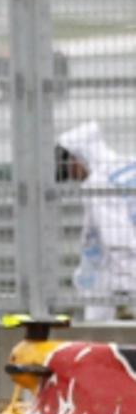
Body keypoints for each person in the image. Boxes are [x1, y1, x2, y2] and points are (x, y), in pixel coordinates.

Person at [59, 121, 136, 320]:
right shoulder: (128, 166)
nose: (70, 174)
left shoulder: (99, 183)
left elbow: (118, 240)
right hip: (120, 271)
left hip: (117, 278)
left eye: (69, 165)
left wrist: (124, 294)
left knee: (101, 338)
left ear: (78, 158)